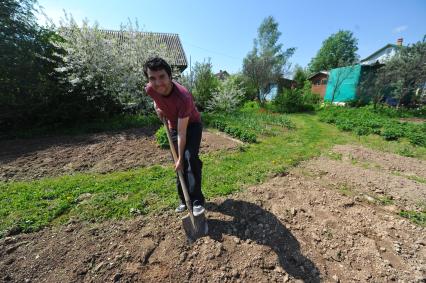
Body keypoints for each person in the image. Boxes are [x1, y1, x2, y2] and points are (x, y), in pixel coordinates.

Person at [143, 57, 205, 216]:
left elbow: (182, 133)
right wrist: (158, 108)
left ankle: (197, 201)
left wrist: (180, 159)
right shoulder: (150, 89)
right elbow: (156, 99)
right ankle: (184, 201)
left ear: (170, 76)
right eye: (152, 78)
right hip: (173, 125)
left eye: (162, 77)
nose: (158, 83)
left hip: (191, 126)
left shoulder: (183, 97)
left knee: (189, 159)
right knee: (179, 166)